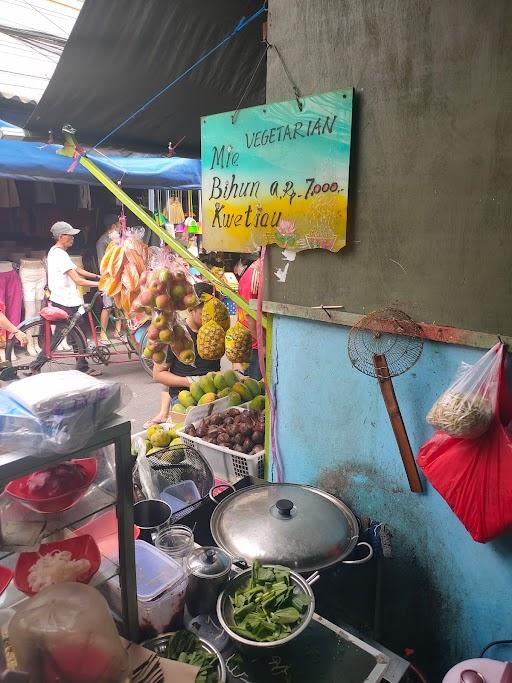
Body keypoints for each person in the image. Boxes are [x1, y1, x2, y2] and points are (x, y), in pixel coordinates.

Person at [30, 221, 101, 375]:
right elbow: (78, 280)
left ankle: (82, 365)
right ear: (61, 237)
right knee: (62, 334)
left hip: (67, 300)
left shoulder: (57, 252)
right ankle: (35, 365)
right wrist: (101, 284)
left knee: (78, 333)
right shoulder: (59, 254)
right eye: (70, 235)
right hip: (65, 301)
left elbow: (78, 270)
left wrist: (98, 276)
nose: (73, 238)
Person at [148, 282, 220, 427]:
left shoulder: (217, 329)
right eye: (204, 314)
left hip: (214, 393)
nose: (210, 318)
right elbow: (158, 374)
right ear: (191, 310)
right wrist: (191, 381)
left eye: (214, 313)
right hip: (184, 396)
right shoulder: (177, 334)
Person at [235, 255, 264, 380]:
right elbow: (249, 315)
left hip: (258, 344)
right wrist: (263, 346)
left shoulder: (259, 273)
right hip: (255, 346)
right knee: (256, 389)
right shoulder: (254, 276)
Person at [96, 213, 122, 342]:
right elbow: (102, 261)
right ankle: (102, 333)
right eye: (119, 224)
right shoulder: (103, 241)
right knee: (107, 306)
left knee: (119, 304)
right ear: (113, 226)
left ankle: (118, 331)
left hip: (118, 276)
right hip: (107, 277)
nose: (121, 226)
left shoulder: (118, 239)